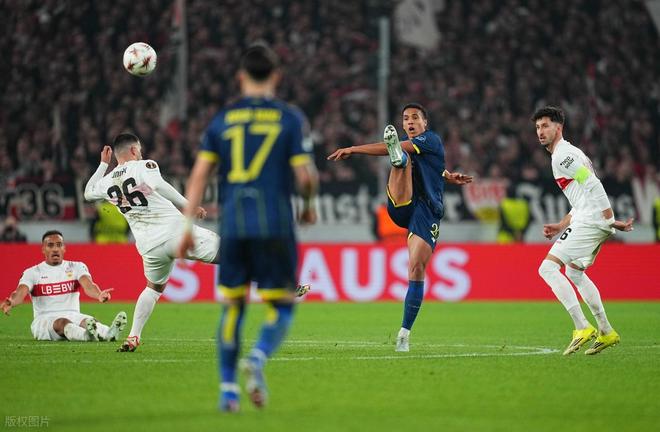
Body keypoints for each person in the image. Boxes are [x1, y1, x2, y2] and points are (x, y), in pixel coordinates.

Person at [177, 44, 318, 413]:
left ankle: (228, 390)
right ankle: (256, 357)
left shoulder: (223, 120)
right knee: (282, 308)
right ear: (276, 76)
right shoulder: (289, 118)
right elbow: (305, 177)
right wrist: (308, 207)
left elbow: (199, 176)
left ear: (240, 77)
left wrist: (188, 224)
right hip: (275, 224)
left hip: (235, 225)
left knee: (232, 307)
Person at [328, 103, 473, 352]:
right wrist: (446, 175)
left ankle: (404, 334)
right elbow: (432, 168)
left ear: (425, 123)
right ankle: (398, 160)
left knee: (416, 268)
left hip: (426, 211)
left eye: (415, 118)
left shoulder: (431, 139)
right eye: (406, 118)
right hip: (403, 202)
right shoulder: (418, 147)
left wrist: (354, 149)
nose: (410, 122)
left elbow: (429, 164)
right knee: (403, 159)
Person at [83, 133, 220, 352]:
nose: (141, 153)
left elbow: (88, 194)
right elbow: (160, 185)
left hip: (150, 247)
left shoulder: (106, 182)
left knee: (153, 289)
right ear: (133, 150)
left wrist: (102, 165)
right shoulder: (144, 166)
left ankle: (133, 336)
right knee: (230, 253)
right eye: (139, 149)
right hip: (175, 233)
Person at [533, 106, 634, 355]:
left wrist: (609, 218)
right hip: (588, 218)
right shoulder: (572, 152)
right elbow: (582, 197)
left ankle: (581, 327)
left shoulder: (562, 156)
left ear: (559, 127)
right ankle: (606, 331)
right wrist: (562, 225)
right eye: (537, 127)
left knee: (547, 268)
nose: (540, 131)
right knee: (574, 272)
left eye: (545, 126)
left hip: (591, 220)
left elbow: (592, 183)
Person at [2, 230, 127, 342]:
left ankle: (109, 333)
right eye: (50, 245)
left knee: (89, 321)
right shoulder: (32, 272)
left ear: (64, 248)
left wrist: (99, 294)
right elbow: (20, 293)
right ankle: (85, 336)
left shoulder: (76, 267)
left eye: (59, 245)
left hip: (73, 314)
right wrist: (11, 301)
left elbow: (88, 285)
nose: (55, 249)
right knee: (62, 323)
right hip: (44, 320)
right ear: (43, 249)